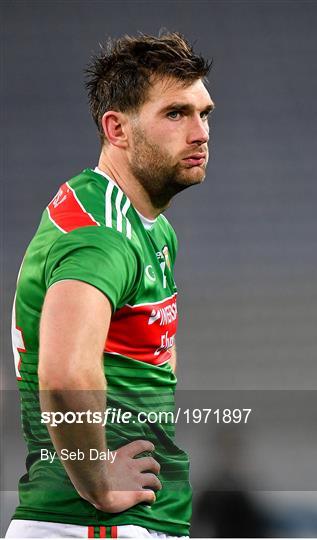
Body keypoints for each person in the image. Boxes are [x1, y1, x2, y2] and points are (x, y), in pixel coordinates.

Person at [7, 32, 214, 539]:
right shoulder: (103, 237)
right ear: (116, 128)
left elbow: (152, 358)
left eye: (204, 113)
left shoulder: (148, 227)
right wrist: (98, 480)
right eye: (175, 114)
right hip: (93, 523)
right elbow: (63, 375)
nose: (200, 132)